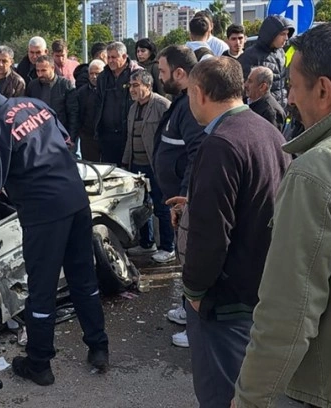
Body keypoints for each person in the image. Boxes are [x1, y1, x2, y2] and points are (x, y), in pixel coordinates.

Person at [0, 73, 110, 386]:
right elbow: (66, 143)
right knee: (83, 279)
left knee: (41, 290)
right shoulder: (33, 103)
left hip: (43, 214)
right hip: (76, 201)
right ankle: (99, 347)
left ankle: (39, 363)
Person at [234, 22, 331, 408]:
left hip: (321, 388)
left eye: (295, 86)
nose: (290, 98)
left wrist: (248, 399)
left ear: (324, 89)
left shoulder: (316, 173)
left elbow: (287, 316)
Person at [180, 56, 290, 408]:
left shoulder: (221, 144)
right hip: (259, 286)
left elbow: (211, 235)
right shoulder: (265, 130)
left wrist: (195, 291)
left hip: (225, 300)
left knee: (220, 395)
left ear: (199, 92)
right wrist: (195, 201)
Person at [154, 46, 206, 346]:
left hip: (183, 202)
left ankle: (195, 326)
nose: (159, 77)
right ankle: (188, 310)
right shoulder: (181, 102)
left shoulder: (189, 105)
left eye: (162, 71)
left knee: (191, 261)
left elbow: (196, 153)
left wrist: (185, 196)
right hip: (176, 200)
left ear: (179, 73)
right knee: (183, 259)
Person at [121, 70, 174, 261]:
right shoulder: (133, 108)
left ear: (148, 86)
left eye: (136, 85)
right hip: (137, 166)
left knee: (162, 207)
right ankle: (146, 243)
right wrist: (126, 162)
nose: (132, 90)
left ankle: (168, 247)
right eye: (130, 86)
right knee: (141, 206)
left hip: (156, 166)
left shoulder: (162, 105)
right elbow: (130, 137)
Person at [94, 42, 143, 166]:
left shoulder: (137, 75)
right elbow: (98, 103)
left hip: (128, 133)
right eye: (108, 57)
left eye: (114, 57)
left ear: (124, 56)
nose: (110, 61)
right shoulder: (103, 77)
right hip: (107, 135)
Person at [238, 15, 295, 108]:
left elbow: (283, 84)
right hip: (261, 114)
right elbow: (243, 90)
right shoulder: (250, 56)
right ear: (271, 34)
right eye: (282, 34)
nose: (286, 38)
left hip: (281, 111)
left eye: (287, 34)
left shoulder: (281, 53)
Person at [25, 55, 78, 150]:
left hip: (61, 136)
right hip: (39, 137)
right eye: (38, 71)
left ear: (52, 68)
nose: (40, 74)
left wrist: (71, 138)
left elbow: (73, 113)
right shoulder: (32, 86)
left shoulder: (65, 85)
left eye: (43, 70)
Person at [77, 59, 105, 161]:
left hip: (106, 137)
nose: (94, 76)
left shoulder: (109, 90)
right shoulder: (81, 92)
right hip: (88, 137)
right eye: (91, 73)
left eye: (97, 73)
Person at [245, 66, 286, 131]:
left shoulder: (270, 112)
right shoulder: (245, 101)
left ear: (262, 87)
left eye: (250, 81)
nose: (245, 85)